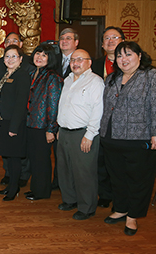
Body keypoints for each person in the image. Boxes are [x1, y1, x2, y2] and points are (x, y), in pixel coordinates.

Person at [100, 41, 156, 236]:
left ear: (139, 56)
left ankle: (133, 216)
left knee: (138, 180)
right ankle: (121, 208)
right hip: (111, 137)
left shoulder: (154, 77)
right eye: (120, 56)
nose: (123, 59)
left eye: (128, 55)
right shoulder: (112, 78)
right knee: (117, 178)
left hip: (139, 139)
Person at [56, 49, 104, 220]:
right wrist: (59, 128)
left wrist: (90, 134)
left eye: (80, 60)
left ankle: (87, 207)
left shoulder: (95, 82)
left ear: (89, 62)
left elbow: (98, 111)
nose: (75, 63)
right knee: (65, 169)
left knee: (84, 172)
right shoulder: (68, 80)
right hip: (64, 131)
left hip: (83, 133)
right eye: (73, 60)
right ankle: (70, 200)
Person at [91, 26, 125, 208]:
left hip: (123, 121)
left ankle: (120, 197)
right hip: (100, 119)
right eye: (107, 38)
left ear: (122, 41)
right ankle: (104, 193)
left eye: (115, 37)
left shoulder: (129, 64)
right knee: (101, 159)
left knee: (119, 162)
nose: (110, 41)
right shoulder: (95, 64)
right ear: (102, 44)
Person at [24, 44, 63, 201]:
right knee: (34, 158)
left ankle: (42, 191)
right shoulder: (33, 72)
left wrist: (51, 129)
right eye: (37, 54)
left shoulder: (53, 77)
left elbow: (53, 105)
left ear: (50, 59)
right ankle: (36, 188)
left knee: (41, 159)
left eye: (44, 55)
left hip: (43, 125)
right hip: (31, 122)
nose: (39, 57)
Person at [0, 32, 33, 187]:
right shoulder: (5, 75)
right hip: (5, 121)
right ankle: (10, 186)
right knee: (9, 157)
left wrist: (14, 127)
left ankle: (13, 190)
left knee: (15, 158)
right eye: (7, 57)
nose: (10, 59)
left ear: (20, 59)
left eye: (14, 56)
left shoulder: (22, 75)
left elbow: (20, 103)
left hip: (14, 123)